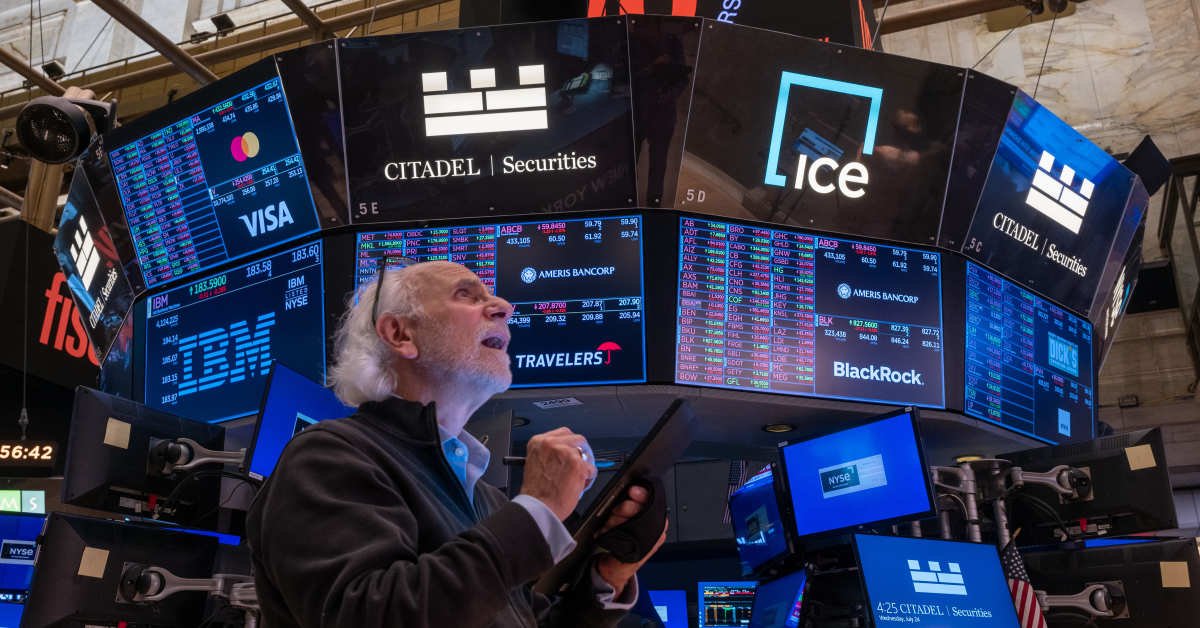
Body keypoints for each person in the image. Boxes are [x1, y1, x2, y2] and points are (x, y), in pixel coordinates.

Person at [246, 260, 667, 627]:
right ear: (400, 334)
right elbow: (370, 616)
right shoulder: (328, 457)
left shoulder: (486, 499)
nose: (504, 307)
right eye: (466, 295)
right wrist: (537, 510)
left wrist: (610, 575)